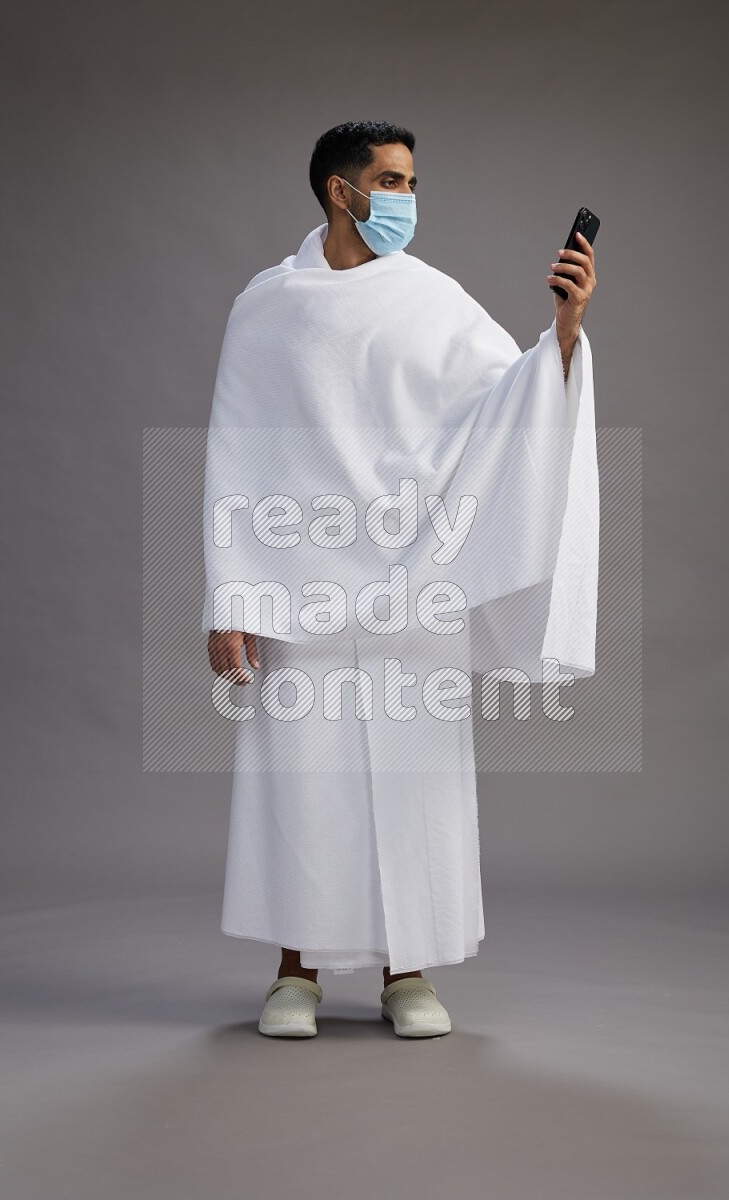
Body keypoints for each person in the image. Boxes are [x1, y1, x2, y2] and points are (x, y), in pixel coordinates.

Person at [203, 120, 598, 1038]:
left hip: (414, 577)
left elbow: (514, 402)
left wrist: (565, 334)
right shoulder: (266, 307)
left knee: (412, 777)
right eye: (390, 180)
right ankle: (293, 973)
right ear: (341, 193)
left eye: (413, 180)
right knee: (301, 778)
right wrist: (230, 597)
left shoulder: (435, 301)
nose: (406, 199)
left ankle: (406, 973)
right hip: (297, 579)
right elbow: (235, 456)